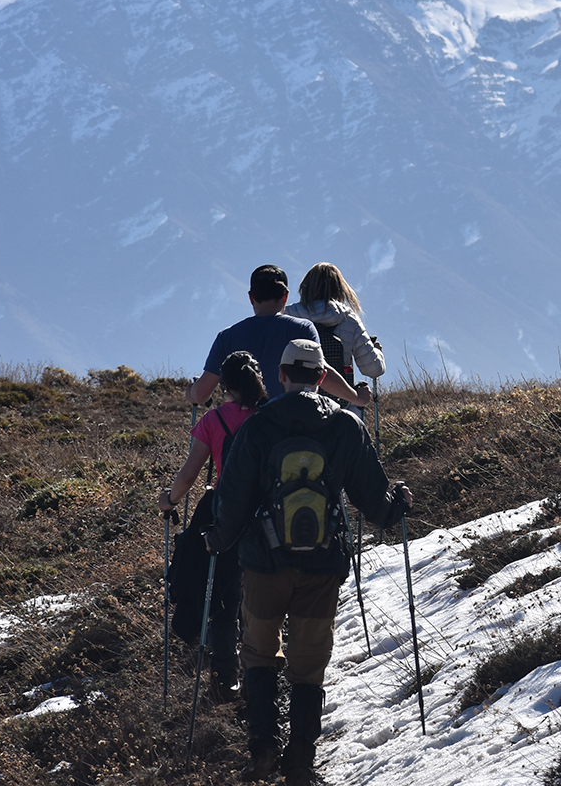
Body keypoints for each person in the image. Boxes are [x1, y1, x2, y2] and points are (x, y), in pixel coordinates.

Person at [206, 339, 412, 783]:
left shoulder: (258, 427)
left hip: (263, 562)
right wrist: (398, 504)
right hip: (323, 562)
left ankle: (262, 751)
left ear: (280, 376)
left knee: (259, 653)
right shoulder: (345, 426)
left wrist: (217, 539)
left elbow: (234, 498)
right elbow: (375, 505)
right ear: (322, 377)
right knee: (309, 662)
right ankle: (300, 763)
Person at [158, 350, 267, 698]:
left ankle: (224, 678)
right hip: (266, 510)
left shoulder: (214, 420)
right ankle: (262, 673)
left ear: (225, 385)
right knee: (262, 595)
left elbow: (190, 472)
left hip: (223, 510)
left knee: (223, 595)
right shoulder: (268, 416)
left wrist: (169, 499)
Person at [186, 265, 372, 410]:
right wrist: (357, 397)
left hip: (244, 437)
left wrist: (192, 393)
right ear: (285, 297)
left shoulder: (227, 337)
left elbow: (202, 393)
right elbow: (323, 373)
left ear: (251, 297)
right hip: (287, 430)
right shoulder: (303, 329)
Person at [285, 263, 387, 388]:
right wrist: (376, 351)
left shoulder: (287, 315)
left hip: (295, 399)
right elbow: (373, 369)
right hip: (341, 400)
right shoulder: (349, 319)